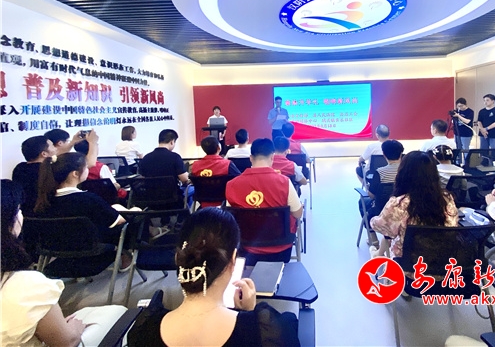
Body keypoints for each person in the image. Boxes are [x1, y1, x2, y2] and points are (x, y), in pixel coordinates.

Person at [128, 207, 300, 347]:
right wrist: (249, 317)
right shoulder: (268, 332)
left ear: (177, 258)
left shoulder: (143, 332)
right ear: (233, 260)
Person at [1, 179, 128, 347]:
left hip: (60, 257)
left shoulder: (44, 204)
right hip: (95, 254)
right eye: (18, 209)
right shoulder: (25, 285)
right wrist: (74, 328)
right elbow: (68, 342)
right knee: (119, 312)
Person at [225, 138, 303, 263]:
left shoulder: (232, 185)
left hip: (246, 248)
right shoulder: (284, 182)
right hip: (281, 248)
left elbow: (231, 218)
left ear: (251, 158)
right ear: (272, 157)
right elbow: (298, 214)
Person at [370, 151, 459, 258]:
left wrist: (373, 219)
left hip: (409, 262)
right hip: (443, 259)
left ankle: (377, 255)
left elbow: (381, 227)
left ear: (403, 174)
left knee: (391, 236)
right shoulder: (447, 198)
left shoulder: (399, 203)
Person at [11, 135, 58, 216]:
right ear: (44, 154)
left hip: (24, 214)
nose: (56, 148)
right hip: (48, 213)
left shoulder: (19, 168)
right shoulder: (51, 170)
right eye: (52, 146)